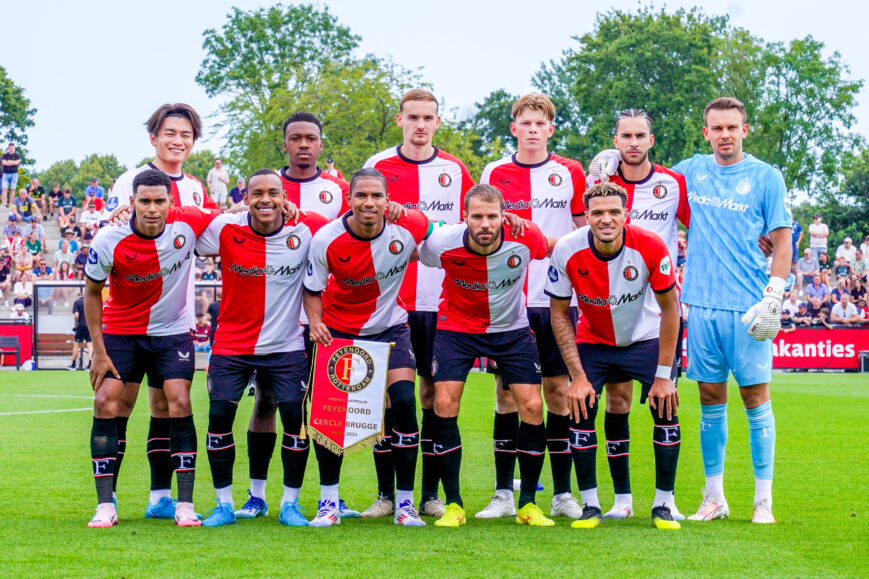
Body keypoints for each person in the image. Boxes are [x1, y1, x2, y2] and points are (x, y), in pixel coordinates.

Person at [666, 98, 791, 524]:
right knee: (709, 398)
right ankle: (714, 498)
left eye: (732, 127)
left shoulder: (765, 177)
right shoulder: (690, 170)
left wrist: (775, 294)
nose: (724, 135)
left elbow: (782, 239)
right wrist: (607, 165)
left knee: (755, 398)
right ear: (705, 132)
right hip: (700, 306)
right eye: (716, 128)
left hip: (749, 308)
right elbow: (648, 182)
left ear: (745, 130)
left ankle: (763, 500)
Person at [231, 112, 354, 521]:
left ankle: (330, 496)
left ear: (321, 144)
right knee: (267, 402)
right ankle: (257, 494)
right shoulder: (263, 190)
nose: (304, 144)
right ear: (284, 144)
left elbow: (349, 239)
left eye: (311, 138)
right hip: (277, 321)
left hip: (325, 318)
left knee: (326, 407)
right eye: (296, 138)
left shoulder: (337, 190)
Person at [83, 169, 220, 528]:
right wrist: (98, 349)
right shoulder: (109, 239)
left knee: (178, 402)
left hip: (171, 333)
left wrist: (286, 210)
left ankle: (182, 503)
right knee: (107, 402)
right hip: (122, 333)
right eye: (145, 201)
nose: (152, 208)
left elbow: (238, 219)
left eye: (160, 201)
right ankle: (105, 503)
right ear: (133, 202)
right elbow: (92, 293)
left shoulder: (188, 222)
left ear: (171, 203)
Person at [473, 94, 587, 520]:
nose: (534, 129)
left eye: (541, 123)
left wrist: (547, 246)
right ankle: (503, 495)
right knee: (507, 398)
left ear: (550, 129)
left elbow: (583, 233)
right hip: (510, 305)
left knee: (558, 396)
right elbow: (483, 231)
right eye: (526, 123)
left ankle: (561, 494)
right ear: (514, 128)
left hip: (557, 301)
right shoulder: (495, 173)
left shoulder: (569, 171)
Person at [194, 169, 329, 528]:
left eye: (273, 193)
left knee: (293, 420)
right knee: (219, 418)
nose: (265, 199)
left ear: (286, 198)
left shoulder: (309, 227)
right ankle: (227, 504)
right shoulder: (225, 227)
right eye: (257, 194)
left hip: (285, 346)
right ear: (245, 197)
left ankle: (290, 503)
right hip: (232, 345)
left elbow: (349, 228)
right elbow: (182, 221)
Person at [362, 89, 475, 519]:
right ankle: (385, 494)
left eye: (428, 117)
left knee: (429, 395)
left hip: (438, 300)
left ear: (438, 122)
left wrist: (421, 223)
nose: (421, 125)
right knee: (382, 399)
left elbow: (462, 230)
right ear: (400, 120)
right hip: (388, 301)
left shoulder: (454, 169)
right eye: (413, 117)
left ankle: (428, 493)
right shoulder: (378, 166)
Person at [545, 182, 682, 530]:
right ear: (586, 216)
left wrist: (664, 375)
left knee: (665, 406)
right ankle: (591, 506)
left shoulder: (651, 245)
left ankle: (663, 505)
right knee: (580, 405)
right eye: (597, 213)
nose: (606, 219)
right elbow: (559, 313)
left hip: (645, 337)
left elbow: (671, 309)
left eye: (614, 212)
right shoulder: (567, 249)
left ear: (626, 215)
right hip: (594, 340)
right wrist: (576, 377)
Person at [418, 184, 555, 527]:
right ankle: (453, 504)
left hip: (511, 330)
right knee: (444, 402)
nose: (485, 224)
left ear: (503, 216)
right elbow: (412, 247)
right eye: (477, 216)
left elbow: (553, 248)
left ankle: (527, 505)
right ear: (464, 217)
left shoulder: (526, 236)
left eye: (492, 216)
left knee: (533, 406)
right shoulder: (442, 243)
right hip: (457, 329)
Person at [303, 167, 431, 527]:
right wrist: (316, 322)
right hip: (341, 333)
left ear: (387, 200)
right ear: (349, 199)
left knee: (404, 403)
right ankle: (328, 502)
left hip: (391, 328)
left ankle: (405, 504)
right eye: (361, 195)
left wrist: (410, 213)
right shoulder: (326, 238)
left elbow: (440, 232)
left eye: (377, 195)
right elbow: (312, 289)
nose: (369, 202)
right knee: (332, 420)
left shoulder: (404, 230)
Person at [69, 291, 92, 370]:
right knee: (90, 345)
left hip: (81, 326)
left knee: (76, 344)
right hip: (90, 326)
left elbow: (76, 315)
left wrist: (76, 323)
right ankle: (90, 365)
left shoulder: (77, 302)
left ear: (78, 296)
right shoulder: (90, 302)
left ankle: (73, 365)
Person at [1, 143, 21, 207]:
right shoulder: (5, 155)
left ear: (14, 148)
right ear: (8, 148)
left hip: (14, 174)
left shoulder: (16, 155)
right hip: (5, 173)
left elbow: (17, 162)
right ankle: (4, 203)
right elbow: (4, 163)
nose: (12, 149)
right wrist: (13, 162)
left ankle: (11, 204)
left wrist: (9, 162)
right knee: (4, 188)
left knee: (13, 189)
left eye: (13, 148)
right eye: (11, 148)